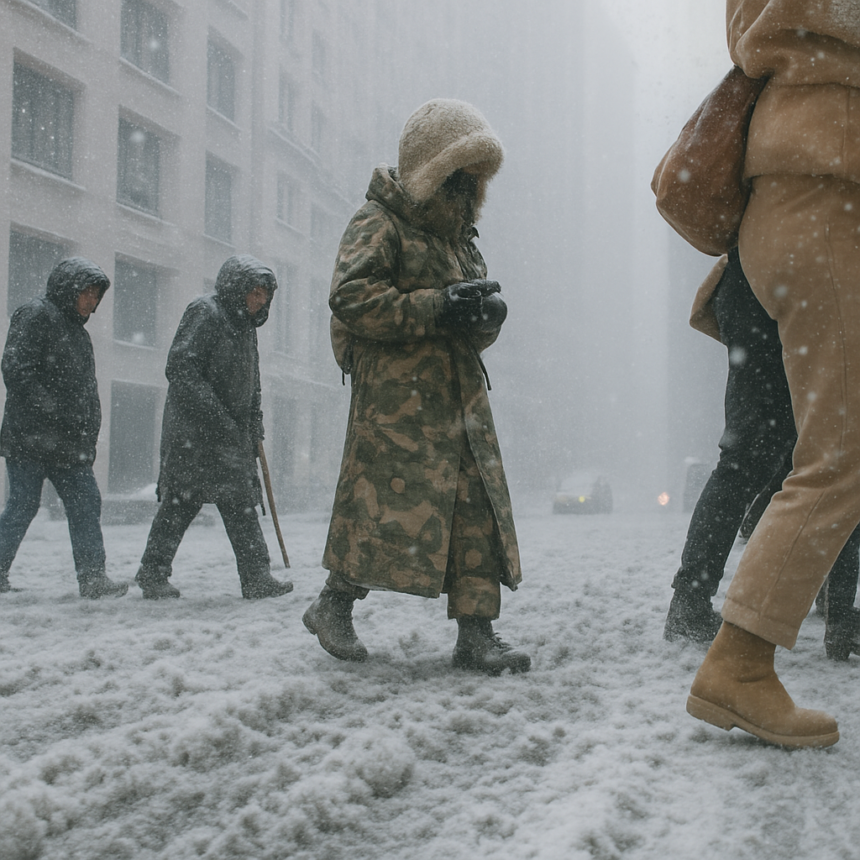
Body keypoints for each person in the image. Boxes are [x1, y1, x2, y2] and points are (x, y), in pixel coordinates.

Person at [302, 98, 530, 674]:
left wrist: (485, 317)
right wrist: (435, 307)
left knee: (475, 512)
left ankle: (477, 635)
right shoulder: (379, 221)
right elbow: (351, 297)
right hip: (396, 407)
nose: (471, 188)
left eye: (476, 178)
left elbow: (465, 315)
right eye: (462, 174)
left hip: (460, 401)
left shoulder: (458, 234)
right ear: (435, 167)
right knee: (380, 512)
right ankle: (333, 605)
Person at [686, 1, 860, 748]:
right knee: (839, 457)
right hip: (830, 184)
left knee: (827, 452)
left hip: (797, 184)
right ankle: (741, 661)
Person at [664, 249, 860, 660]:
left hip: (757, 278)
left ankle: (692, 602)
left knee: (783, 454)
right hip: (798, 284)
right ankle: (835, 616)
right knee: (837, 451)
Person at [134, 255, 293, 601]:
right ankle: (152, 573)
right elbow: (181, 369)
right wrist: (220, 419)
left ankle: (256, 577)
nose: (261, 300)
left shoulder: (246, 326)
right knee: (180, 504)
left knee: (241, 504)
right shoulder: (205, 312)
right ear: (239, 289)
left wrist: (254, 424)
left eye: (266, 294)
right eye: (256, 292)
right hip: (194, 435)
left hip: (230, 437)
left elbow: (253, 383)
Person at [0, 257, 126, 598]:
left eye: (96, 295)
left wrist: (88, 430)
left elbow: (89, 391)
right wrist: (54, 412)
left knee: (86, 502)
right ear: (68, 289)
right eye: (86, 292)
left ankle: (93, 578)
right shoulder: (36, 314)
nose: (92, 301)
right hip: (29, 438)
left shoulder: (80, 335)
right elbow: (16, 369)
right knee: (23, 505)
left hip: (68, 443)